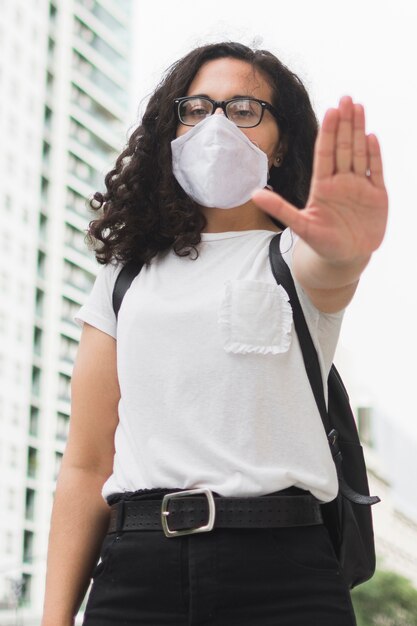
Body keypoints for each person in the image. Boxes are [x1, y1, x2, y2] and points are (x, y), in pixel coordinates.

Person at [41, 41, 388, 626]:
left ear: (281, 143)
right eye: (196, 108)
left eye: (245, 108)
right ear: (171, 131)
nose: (216, 125)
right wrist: (53, 620)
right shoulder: (125, 277)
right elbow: (86, 461)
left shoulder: (296, 256)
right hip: (136, 570)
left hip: (284, 575)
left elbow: (331, 271)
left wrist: (348, 250)